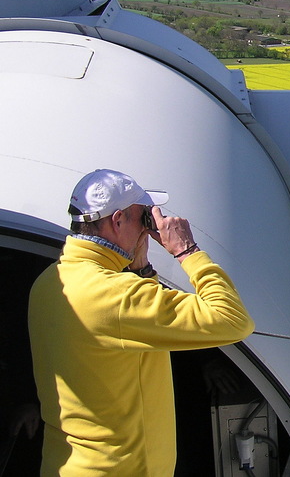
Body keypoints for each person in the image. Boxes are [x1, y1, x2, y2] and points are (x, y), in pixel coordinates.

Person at [28, 169, 255, 476]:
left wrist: (142, 271)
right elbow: (232, 320)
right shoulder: (115, 295)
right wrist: (186, 251)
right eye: (143, 218)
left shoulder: (49, 281)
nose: (148, 228)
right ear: (118, 220)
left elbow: (126, 332)